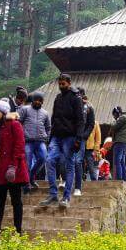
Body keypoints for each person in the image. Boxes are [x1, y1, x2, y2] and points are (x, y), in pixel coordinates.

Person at [0, 101, 28, 244]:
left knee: (16, 202)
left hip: (13, 170)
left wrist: (13, 167)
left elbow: (19, 146)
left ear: (4, 112)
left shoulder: (14, 124)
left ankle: (18, 233)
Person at [40, 74, 84, 208]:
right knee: (49, 161)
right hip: (56, 136)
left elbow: (80, 120)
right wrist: (51, 136)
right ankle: (53, 194)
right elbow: (54, 118)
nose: (61, 86)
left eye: (63, 84)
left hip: (70, 136)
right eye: (59, 84)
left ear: (69, 83)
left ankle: (66, 197)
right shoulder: (58, 98)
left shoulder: (76, 98)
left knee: (69, 165)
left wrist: (78, 139)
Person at [19, 91, 50, 188]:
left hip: (40, 141)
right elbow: (18, 123)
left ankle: (31, 177)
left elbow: (48, 127)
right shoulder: (25, 110)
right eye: (36, 100)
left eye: (40, 100)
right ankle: (26, 183)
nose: (38, 102)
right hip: (27, 141)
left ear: (43, 101)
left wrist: (47, 137)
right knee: (27, 163)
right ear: (32, 100)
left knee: (43, 158)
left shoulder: (45, 113)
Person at [74, 88, 97, 195]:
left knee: (80, 161)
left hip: (84, 141)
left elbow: (92, 125)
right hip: (70, 136)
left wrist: (84, 136)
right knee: (67, 160)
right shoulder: (71, 105)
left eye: (80, 94)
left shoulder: (89, 108)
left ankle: (80, 186)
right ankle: (66, 181)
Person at [83, 92, 101, 184]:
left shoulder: (95, 123)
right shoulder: (80, 121)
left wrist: (96, 150)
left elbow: (98, 138)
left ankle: (94, 182)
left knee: (91, 166)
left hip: (90, 148)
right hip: (80, 145)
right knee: (78, 164)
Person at [110, 106, 126, 182]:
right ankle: (124, 179)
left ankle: (119, 179)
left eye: (114, 115)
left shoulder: (122, 118)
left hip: (120, 142)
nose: (114, 117)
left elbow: (114, 127)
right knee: (122, 161)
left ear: (117, 113)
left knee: (117, 161)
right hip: (124, 142)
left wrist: (113, 122)